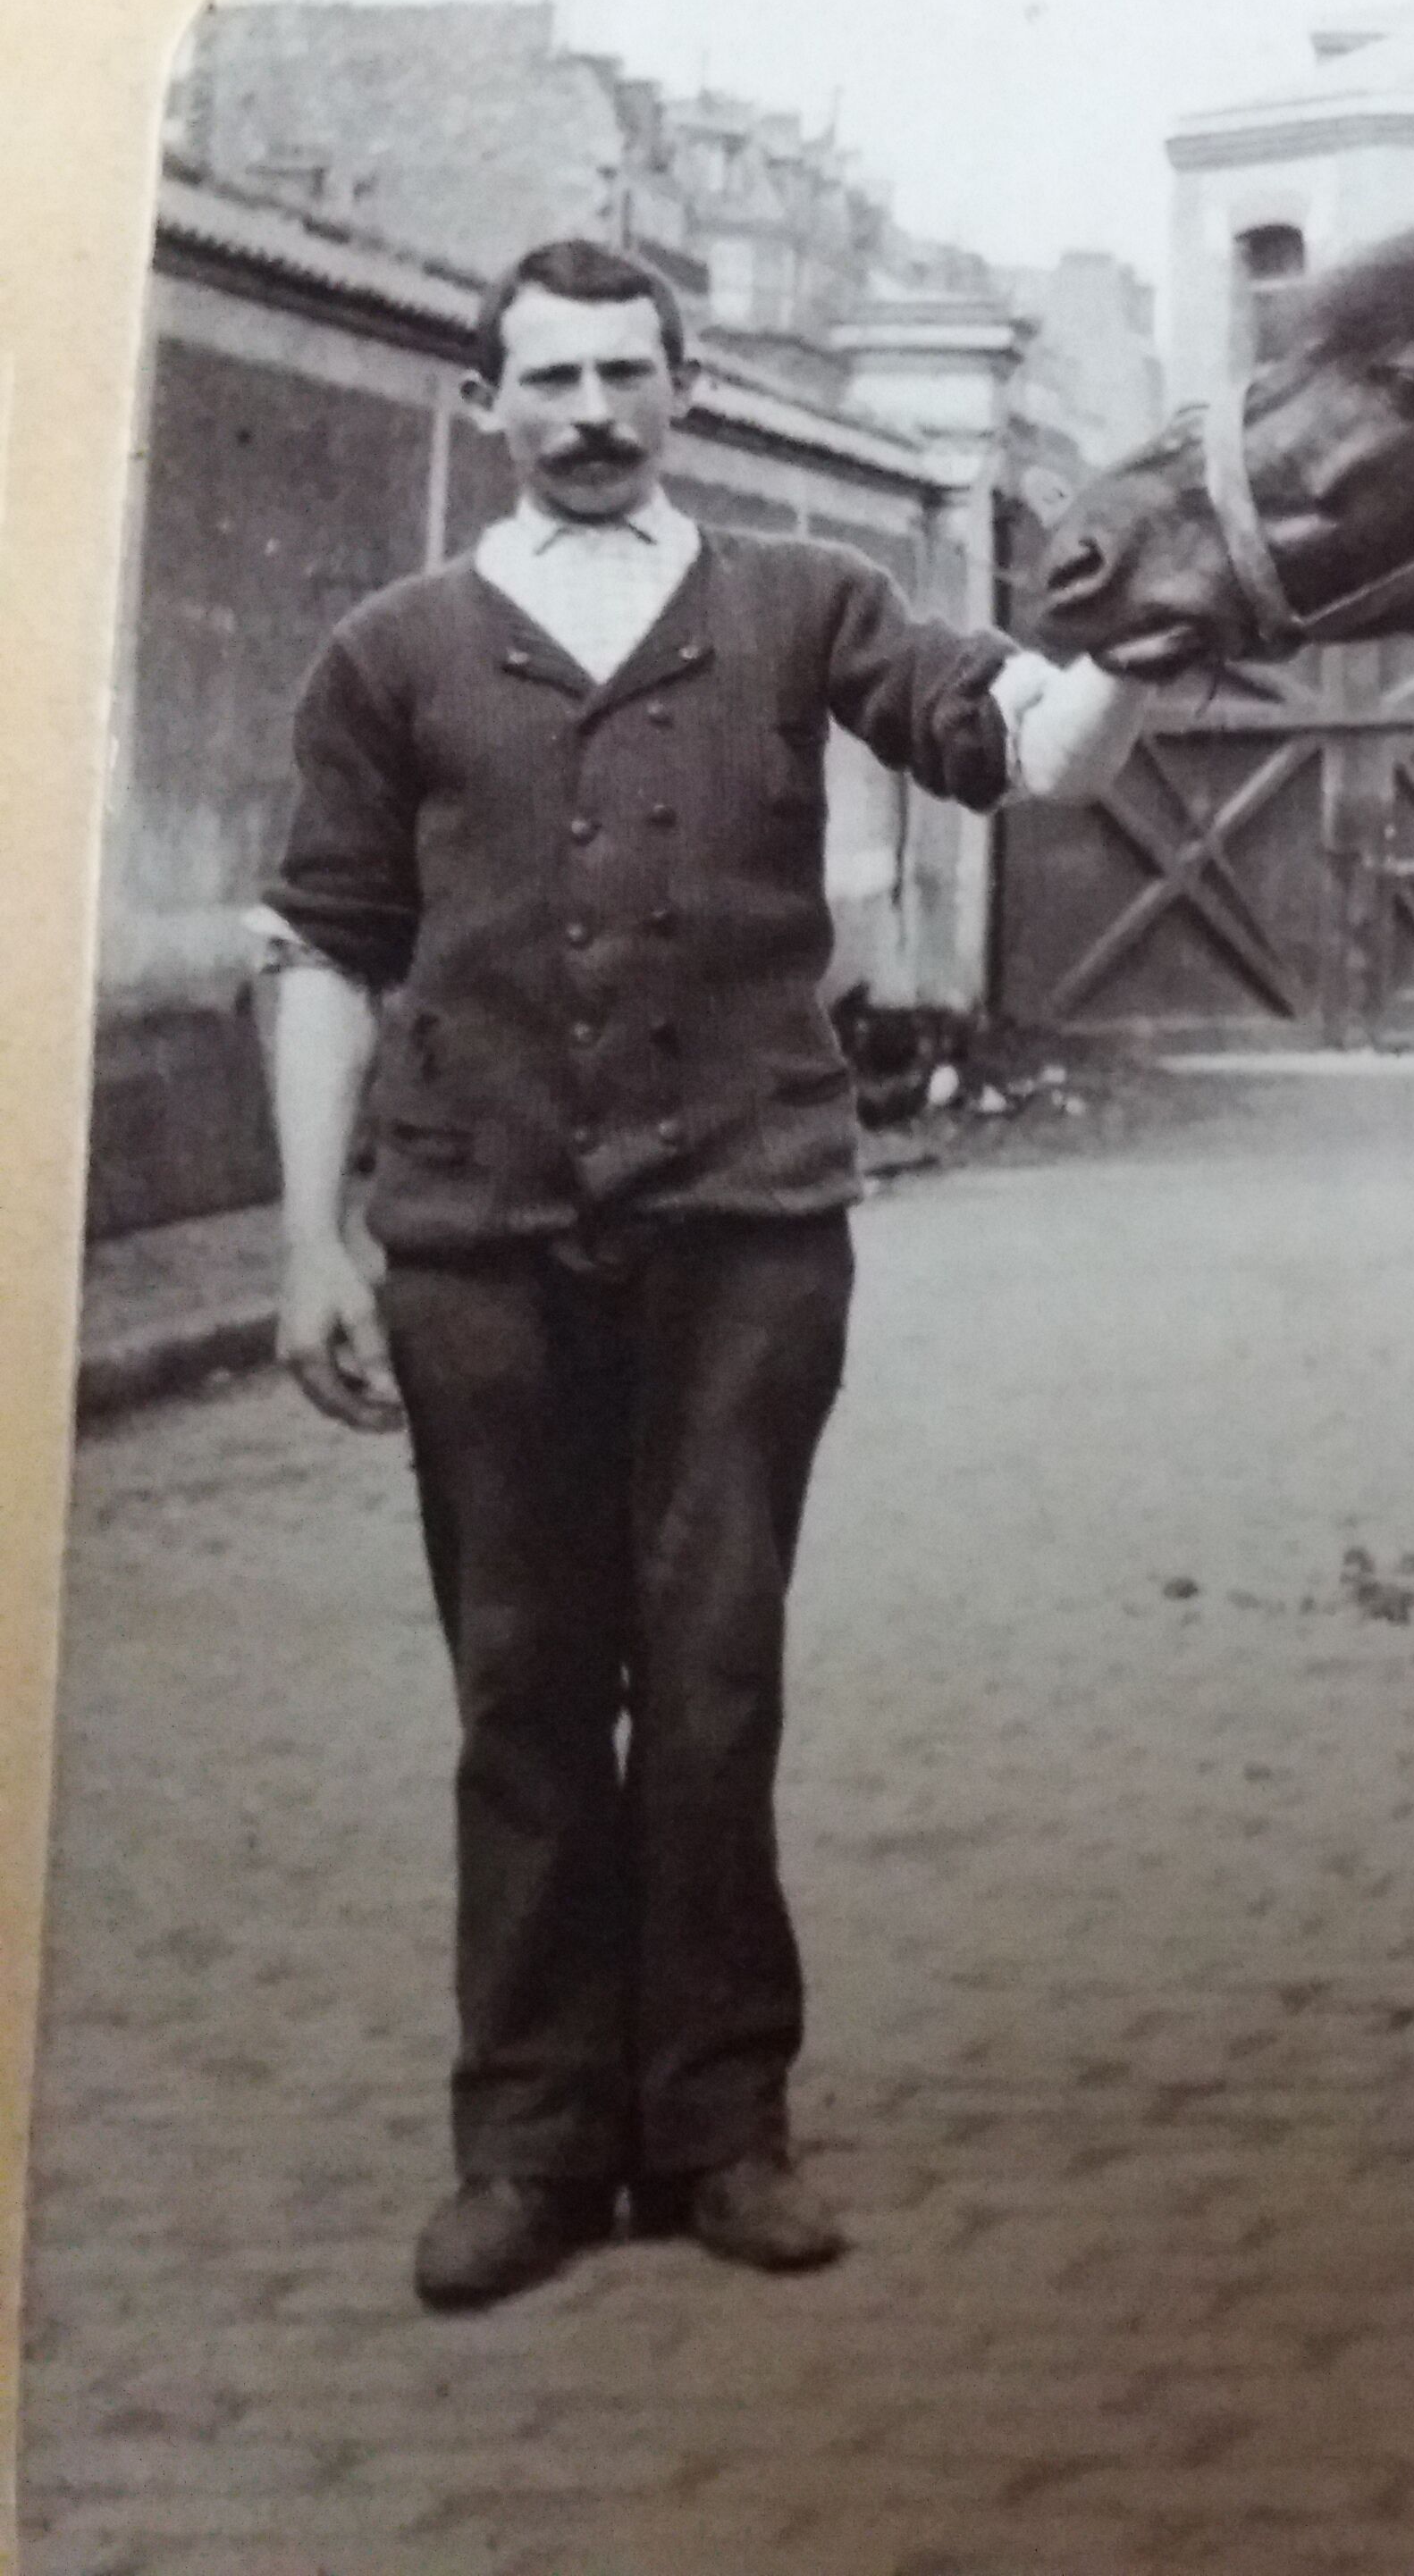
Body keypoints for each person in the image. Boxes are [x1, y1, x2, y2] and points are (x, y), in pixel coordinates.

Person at [260, 238, 1139, 2312]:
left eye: (625, 374)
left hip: (745, 1224)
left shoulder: (799, 606)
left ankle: (723, 2126)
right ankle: (530, 2144)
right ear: (490, 401)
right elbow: (321, 950)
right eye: (548, 379)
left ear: (687, 388)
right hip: (476, 1235)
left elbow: (1037, 752)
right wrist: (312, 1236)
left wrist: (1149, 631)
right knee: (523, 1687)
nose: (587, 412)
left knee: (717, 1675)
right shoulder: (391, 653)